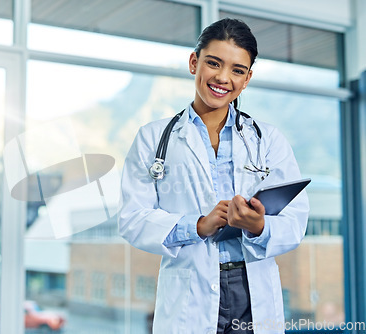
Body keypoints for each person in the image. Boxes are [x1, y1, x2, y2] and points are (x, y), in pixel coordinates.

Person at [118, 18, 309, 334]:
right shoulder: (152, 139)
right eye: (214, 63)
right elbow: (132, 218)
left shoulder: (268, 140)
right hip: (189, 291)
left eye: (237, 70)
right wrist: (196, 225)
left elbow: (295, 221)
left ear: (247, 79)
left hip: (252, 289)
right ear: (194, 63)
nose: (223, 78)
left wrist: (258, 225)